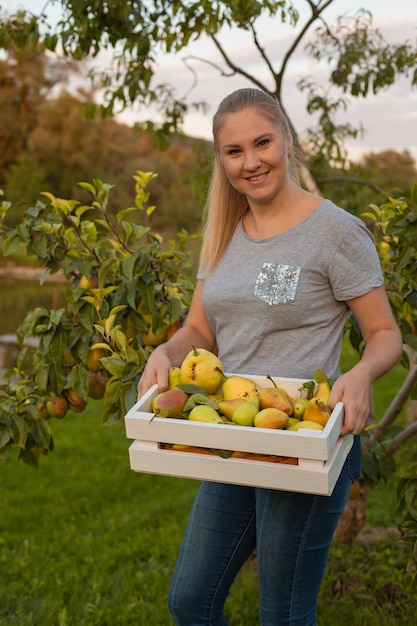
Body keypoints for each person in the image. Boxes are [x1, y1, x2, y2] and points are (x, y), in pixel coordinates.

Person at [137, 88, 403, 626]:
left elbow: (385, 335)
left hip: (305, 443)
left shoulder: (335, 231)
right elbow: (198, 328)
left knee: (282, 614)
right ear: (222, 160)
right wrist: (166, 350)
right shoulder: (224, 231)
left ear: (287, 140)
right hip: (237, 435)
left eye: (262, 142)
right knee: (191, 600)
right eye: (234, 151)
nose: (251, 161)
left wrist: (361, 371)